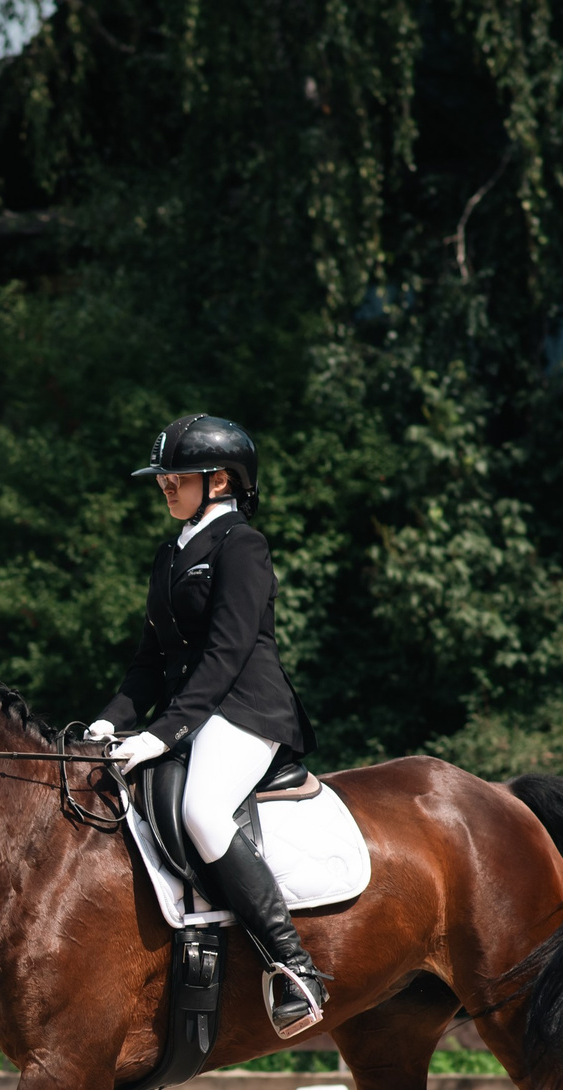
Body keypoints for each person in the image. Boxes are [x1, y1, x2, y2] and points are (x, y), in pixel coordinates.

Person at [85, 413, 329, 1039]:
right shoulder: (170, 554)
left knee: (202, 810)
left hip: (246, 710)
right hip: (189, 715)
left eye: (176, 476)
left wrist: (161, 733)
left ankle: (293, 965)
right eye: (161, 477)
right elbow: (149, 661)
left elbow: (226, 653)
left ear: (219, 480)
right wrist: (108, 723)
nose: (164, 485)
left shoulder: (242, 545)